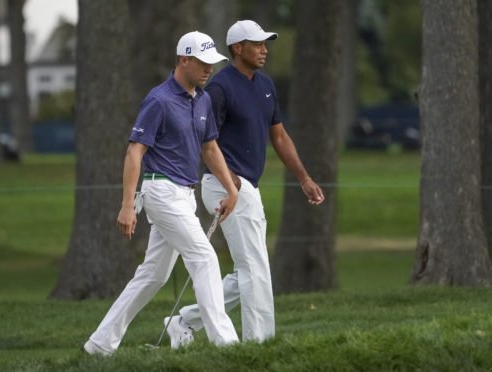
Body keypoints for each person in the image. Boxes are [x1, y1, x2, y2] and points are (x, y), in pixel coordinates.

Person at [165, 20, 325, 347]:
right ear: (238, 48)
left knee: (248, 271)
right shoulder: (221, 88)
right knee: (255, 270)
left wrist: (304, 178)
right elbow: (203, 138)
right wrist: (230, 179)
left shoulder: (265, 85)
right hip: (226, 185)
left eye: (266, 43)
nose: (265, 49)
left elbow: (278, 135)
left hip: (247, 186)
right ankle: (259, 345)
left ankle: (185, 320)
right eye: (257, 43)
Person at [83, 31, 240, 355]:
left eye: (213, 63)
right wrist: (128, 206)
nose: (210, 69)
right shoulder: (159, 100)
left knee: (152, 276)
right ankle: (226, 345)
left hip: (184, 195)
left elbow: (210, 148)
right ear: (184, 59)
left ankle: (99, 345)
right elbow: (134, 153)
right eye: (203, 62)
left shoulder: (204, 99)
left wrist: (230, 189)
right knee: (204, 257)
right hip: (160, 191)